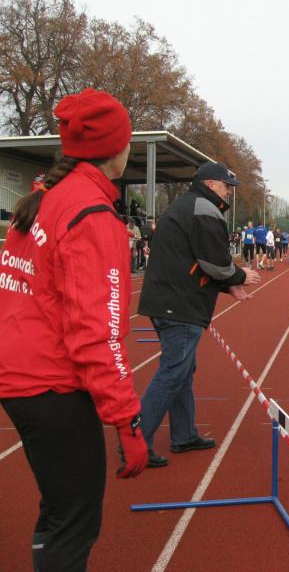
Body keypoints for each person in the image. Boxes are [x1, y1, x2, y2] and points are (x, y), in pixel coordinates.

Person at [0, 88, 148, 571]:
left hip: (22, 374)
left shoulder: (47, 198)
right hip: (50, 383)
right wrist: (127, 420)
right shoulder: (91, 215)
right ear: (116, 148)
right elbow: (97, 332)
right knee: (75, 522)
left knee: (60, 507)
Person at [138, 162, 261, 467]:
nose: (229, 191)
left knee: (182, 369)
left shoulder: (187, 205)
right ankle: (135, 441)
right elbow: (214, 262)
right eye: (226, 186)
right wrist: (239, 277)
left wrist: (229, 286)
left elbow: (191, 259)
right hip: (179, 304)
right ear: (210, 184)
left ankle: (183, 434)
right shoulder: (204, 209)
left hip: (170, 299)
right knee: (173, 371)